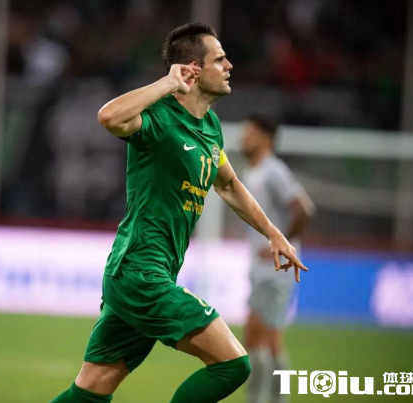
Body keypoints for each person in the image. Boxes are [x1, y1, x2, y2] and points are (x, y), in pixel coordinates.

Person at [47, 22, 308, 403]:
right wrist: (167, 83)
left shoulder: (211, 127)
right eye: (220, 60)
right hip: (141, 272)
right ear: (193, 70)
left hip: (147, 274)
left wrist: (273, 232)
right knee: (234, 364)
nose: (230, 66)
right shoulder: (159, 117)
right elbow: (109, 117)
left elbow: (228, 184)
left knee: (93, 387)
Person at [240, 115, 314, 403]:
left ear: (266, 138)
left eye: (249, 133)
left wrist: (282, 243)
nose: (243, 138)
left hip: (276, 268)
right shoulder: (252, 171)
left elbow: (304, 209)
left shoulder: (273, 171)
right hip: (265, 267)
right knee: (270, 341)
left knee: (254, 337)